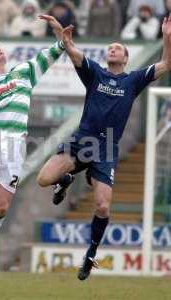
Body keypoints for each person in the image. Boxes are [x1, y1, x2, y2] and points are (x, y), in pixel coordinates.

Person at [36, 17, 171, 280]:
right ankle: (64, 180)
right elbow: (71, 48)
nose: (112, 49)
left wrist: (166, 37)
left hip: (107, 148)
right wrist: (59, 32)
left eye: (117, 48)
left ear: (126, 57)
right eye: (110, 47)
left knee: (102, 208)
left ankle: (90, 255)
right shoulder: (95, 73)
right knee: (43, 179)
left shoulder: (133, 80)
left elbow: (167, 64)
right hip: (82, 141)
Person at [0, 15, 66, 272]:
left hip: (15, 144)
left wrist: (60, 34)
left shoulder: (24, 72)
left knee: (1, 206)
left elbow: (54, 52)